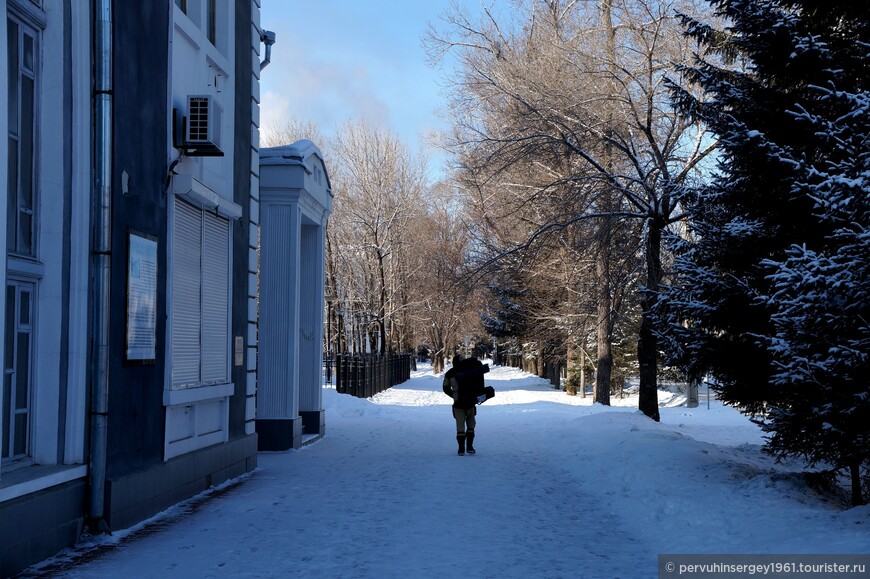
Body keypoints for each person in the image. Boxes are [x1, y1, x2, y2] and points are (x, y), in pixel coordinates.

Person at [442, 354, 487, 455]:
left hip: (458, 403)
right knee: (471, 424)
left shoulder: (450, 373)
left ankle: (461, 449)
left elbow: (445, 387)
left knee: (460, 425)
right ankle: (470, 447)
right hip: (471, 401)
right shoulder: (471, 370)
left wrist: (454, 395)